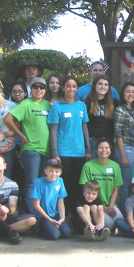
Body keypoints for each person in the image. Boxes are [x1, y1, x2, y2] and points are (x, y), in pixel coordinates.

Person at [4, 77, 52, 214]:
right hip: (31, 149)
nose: (39, 89)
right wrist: (20, 135)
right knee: (31, 182)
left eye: (42, 87)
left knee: (42, 182)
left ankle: (42, 212)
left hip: (46, 150)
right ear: (31, 89)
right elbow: (8, 119)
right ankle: (33, 214)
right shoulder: (25, 104)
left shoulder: (48, 105)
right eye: (35, 87)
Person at [47, 76, 88, 207]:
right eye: (68, 86)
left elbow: (84, 128)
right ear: (63, 88)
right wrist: (55, 153)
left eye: (74, 86)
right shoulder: (56, 107)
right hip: (63, 152)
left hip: (79, 152)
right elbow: (53, 131)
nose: (71, 89)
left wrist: (88, 149)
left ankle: (75, 212)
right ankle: (64, 212)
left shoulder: (81, 105)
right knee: (64, 184)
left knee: (77, 184)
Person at [79, 139, 123, 232]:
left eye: (106, 148)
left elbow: (116, 189)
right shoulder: (88, 166)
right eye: (100, 148)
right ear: (96, 150)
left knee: (120, 221)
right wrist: (104, 208)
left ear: (110, 151)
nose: (103, 150)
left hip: (110, 204)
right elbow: (85, 189)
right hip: (94, 205)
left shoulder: (115, 166)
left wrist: (110, 207)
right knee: (109, 225)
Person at [114, 81, 134, 200]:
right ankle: (124, 211)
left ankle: (133, 209)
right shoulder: (120, 110)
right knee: (126, 182)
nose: (130, 94)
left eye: (133, 92)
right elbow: (118, 133)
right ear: (123, 93)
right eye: (128, 91)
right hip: (126, 149)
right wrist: (123, 155)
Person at [31, 160, 71, 240]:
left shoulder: (60, 181)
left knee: (67, 233)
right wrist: (49, 220)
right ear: (45, 171)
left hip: (54, 214)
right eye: (51, 171)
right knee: (55, 235)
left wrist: (62, 218)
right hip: (43, 216)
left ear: (60, 172)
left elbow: (60, 201)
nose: (54, 174)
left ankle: (52, 226)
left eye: (57, 171)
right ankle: (38, 229)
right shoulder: (39, 182)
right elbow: (36, 205)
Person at [83, 75, 116, 150]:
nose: (103, 87)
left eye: (106, 84)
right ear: (95, 85)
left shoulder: (114, 103)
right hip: (92, 141)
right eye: (100, 84)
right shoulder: (87, 102)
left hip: (108, 142)